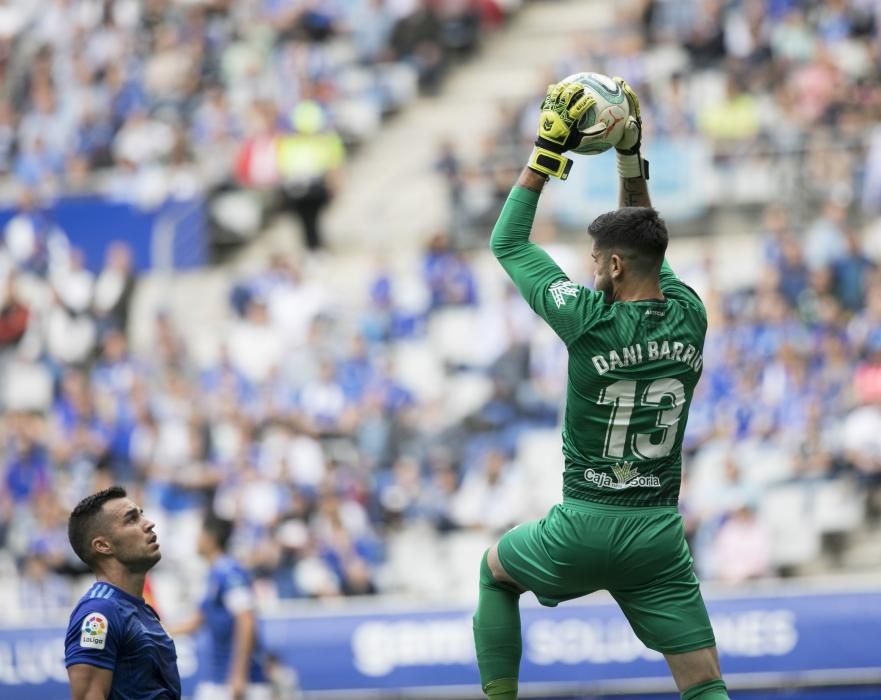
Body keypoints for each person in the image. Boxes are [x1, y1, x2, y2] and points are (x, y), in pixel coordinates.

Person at [472, 80, 730, 700]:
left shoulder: (588, 318)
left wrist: (545, 154)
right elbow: (646, 238)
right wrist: (629, 155)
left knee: (495, 574)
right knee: (703, 684)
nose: (591, 269)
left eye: (595, 260)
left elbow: (507, 242)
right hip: (658, 532)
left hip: (583, 524)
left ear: (612, 266)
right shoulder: (691, 312)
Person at [65, 486, 181, 699]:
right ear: (103, 546)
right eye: (131, 520)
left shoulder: (143, 610)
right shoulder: (98, 614)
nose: (149, 524)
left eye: (141, 515)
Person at [170, 513, 270, 700]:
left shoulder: (230, 573)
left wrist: (238, 674)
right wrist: (155, 629)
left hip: (240, 682)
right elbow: (197, 621)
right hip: (219, 679)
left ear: (210, 538)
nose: (196, 539)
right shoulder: (214, 574)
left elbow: (247, 620)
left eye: (199, 533)